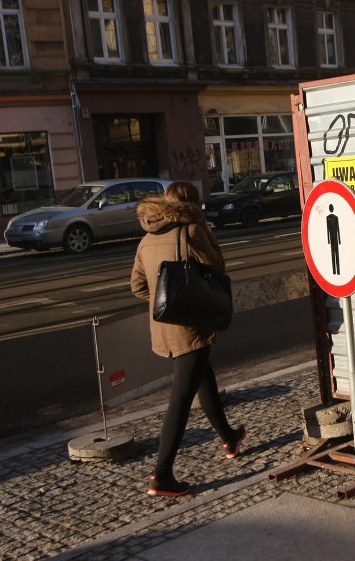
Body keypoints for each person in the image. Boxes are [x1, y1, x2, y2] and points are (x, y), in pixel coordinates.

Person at [130, 181, 246, 497]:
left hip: (165, 322)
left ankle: (229, 437)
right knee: (181, 398)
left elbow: (138, 287)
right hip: (190, 324)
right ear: (193, 205)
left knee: (202, 374)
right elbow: (217, 267)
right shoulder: (191, 230)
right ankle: (162, 475)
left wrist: (165, 300)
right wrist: (207, 233)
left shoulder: (146, 238)